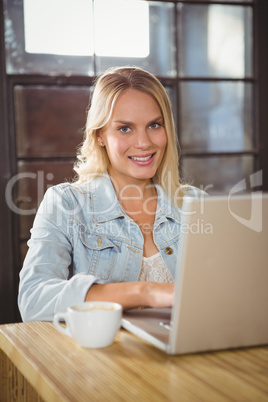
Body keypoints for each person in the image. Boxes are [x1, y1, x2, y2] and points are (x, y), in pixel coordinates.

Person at [18, 66, 199, 322]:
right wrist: (145, 292)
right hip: (104, 359)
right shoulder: (66, 204)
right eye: (125, 128)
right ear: (100, 135)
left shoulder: (197, 204)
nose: (144, 143)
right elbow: (33, 301)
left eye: (154, 125)